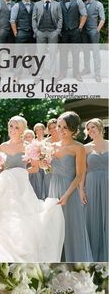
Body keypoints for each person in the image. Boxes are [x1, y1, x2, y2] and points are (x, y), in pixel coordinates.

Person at [0, 115, 65, 262]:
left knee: (22, 216)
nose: (13, 129)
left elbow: (35, 168)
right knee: (2, 216)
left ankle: (21, 249)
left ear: (22, 130)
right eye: (11, 126)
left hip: (21, 187)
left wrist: (19, 172)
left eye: (17, 127)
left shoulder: (28, 146)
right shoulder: (2, 146)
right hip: (4, 187)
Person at [48, 112, 92, 262]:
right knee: (54, 227)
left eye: (65, 127)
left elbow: (79, 175)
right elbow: (48, 169)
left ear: (73, 129)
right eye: (59, 126)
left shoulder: (78, 148)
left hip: (70, 192)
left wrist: (66, 195)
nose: (60, 130)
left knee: (71, 228)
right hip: (53, 189)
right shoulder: (51, 146)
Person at [80, 118, 108, 261]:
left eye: (92, 127)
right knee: (92, 216)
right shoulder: (86, 148)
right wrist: (81, 190)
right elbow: (82, 171)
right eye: (88, 128)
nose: (90, 130)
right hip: (91, 185)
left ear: (100, 128)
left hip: (107, 183)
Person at [32, 0, 62, 76]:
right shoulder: (37, 4)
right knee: (40, 55)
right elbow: (33, 18)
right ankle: (39, 74)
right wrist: (36, 31)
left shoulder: (57, 4)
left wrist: (57, 31)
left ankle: (53, 75)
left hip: (53, 32)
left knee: (53, 55)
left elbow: (60, 18)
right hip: (40, 32)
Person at [60, 0, 87, 79]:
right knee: (63, 53)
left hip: (75, 30)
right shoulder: (60, 3)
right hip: (64, 32)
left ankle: (76, 73)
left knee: (76, 53)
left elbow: (84, 15)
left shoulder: (78, 1)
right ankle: (62, 73)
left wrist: (80, 27)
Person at [82, 0, 105, 81]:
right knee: (85, 51)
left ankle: (97, 73)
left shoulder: (98, 4)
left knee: (95, 52)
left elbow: (102, 19)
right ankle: (87, 69)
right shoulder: (83, 4)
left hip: (93, 31)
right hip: (84, 31)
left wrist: (97, 30)